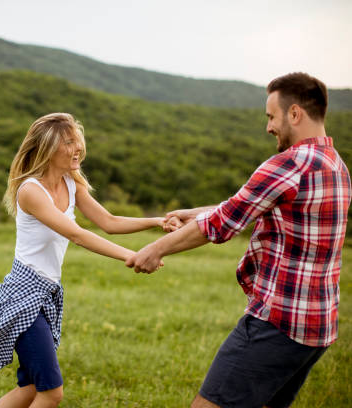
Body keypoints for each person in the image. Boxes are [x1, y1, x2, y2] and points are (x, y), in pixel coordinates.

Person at [127, 72, 351, 408]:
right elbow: (252, 205)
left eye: (271, 116)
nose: (268, 127)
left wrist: (155, 248)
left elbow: (221, 224)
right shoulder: (335, 165)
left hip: (277, 322)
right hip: (316, 327)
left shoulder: (288, 165)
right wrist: (194, 212)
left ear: (294, 114)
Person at [0, 112, 166, 408]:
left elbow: (108, 221)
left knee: (31, 388)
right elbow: (78, 235)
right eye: (69, 142)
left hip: (46, 294)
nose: (78, 148)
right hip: (23, 297)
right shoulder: (31, 191)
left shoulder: (71, 183)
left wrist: (157, 221)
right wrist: (134, 256)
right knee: (51, 391)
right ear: (48, 148)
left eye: (78, 141)